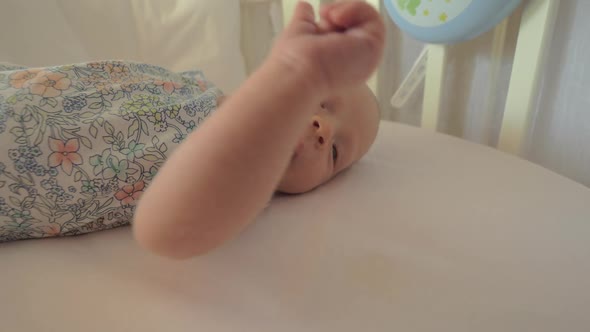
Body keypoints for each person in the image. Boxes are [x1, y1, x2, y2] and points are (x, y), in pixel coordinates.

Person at [0, 1, 385, 258]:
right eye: (319, 101)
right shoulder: (201, 91)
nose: (323, 129)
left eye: (336, 151)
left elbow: (168, 230)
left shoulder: (235, 182)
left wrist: (296, 74)